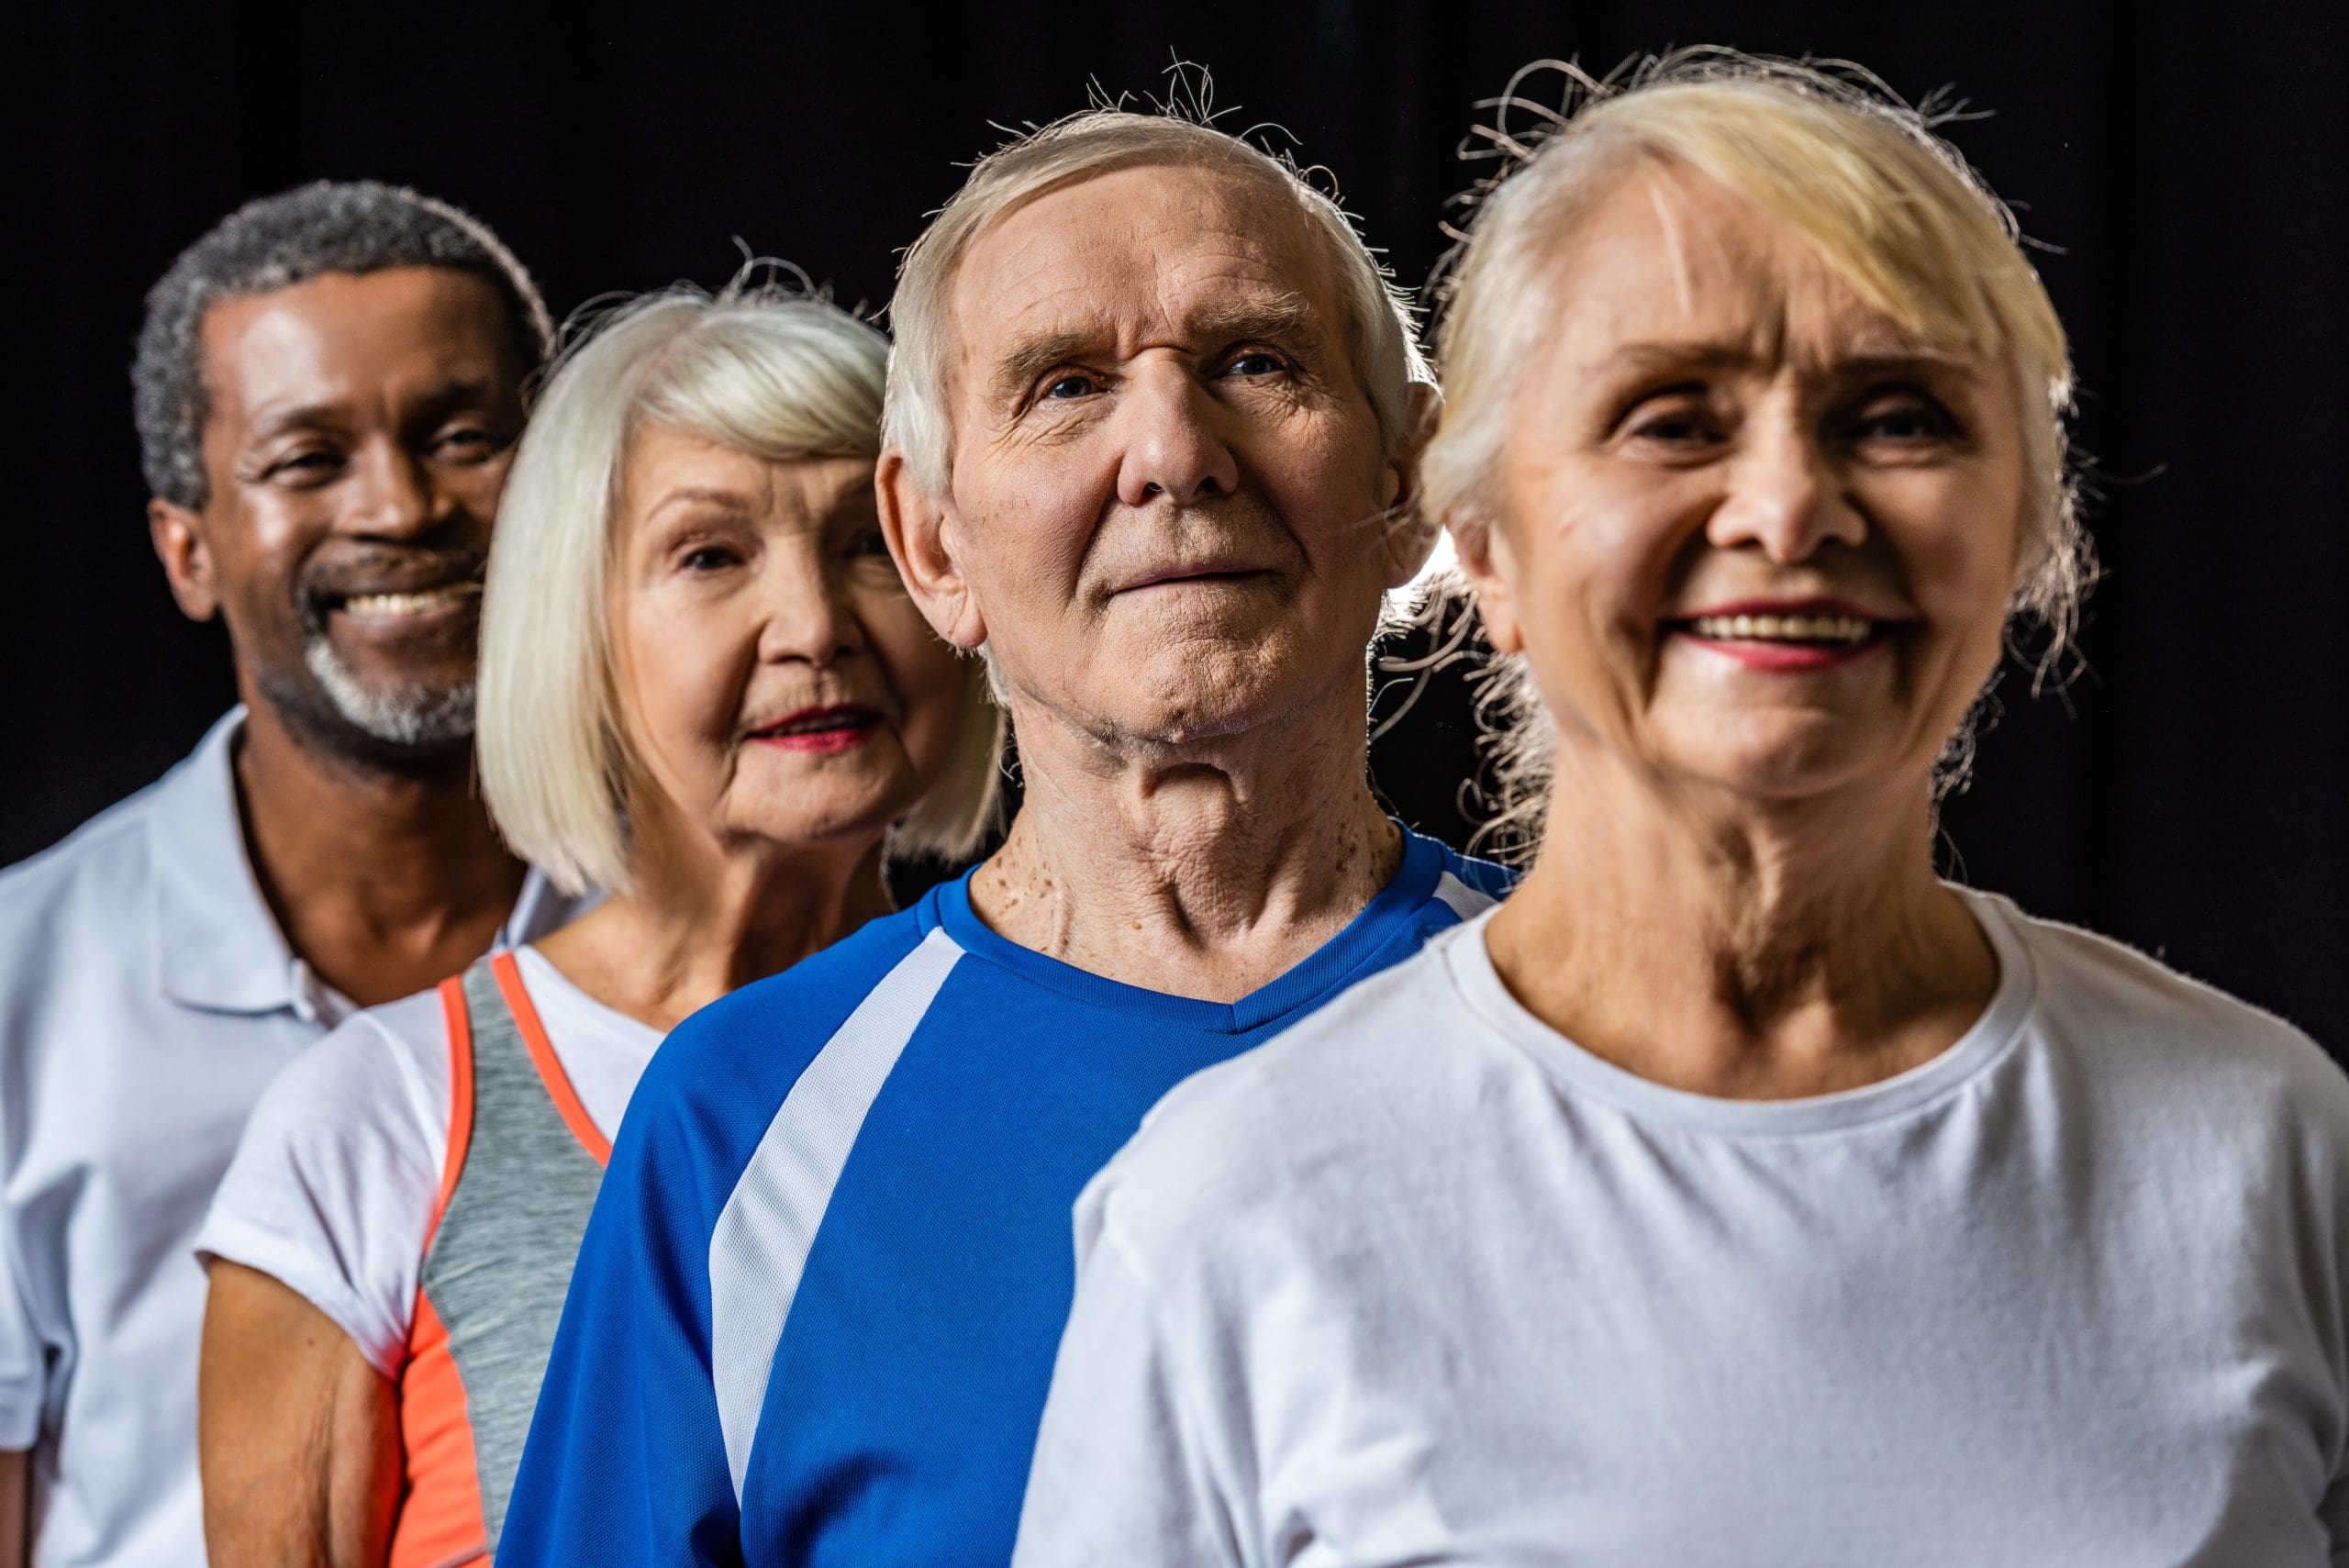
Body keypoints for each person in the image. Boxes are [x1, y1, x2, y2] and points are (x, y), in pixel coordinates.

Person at [1010, 50, 2349, 1567]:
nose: (1789, 508)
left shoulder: (2268, 1150)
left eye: (1900, 416)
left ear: (2024, 526)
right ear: (1482, 542)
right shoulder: (1231, 1211)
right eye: (1669, 417)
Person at [500, 106, 1511, 1566]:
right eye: (1067, 385)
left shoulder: (1621, 1032)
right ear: (932, 543)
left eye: (1255, 361)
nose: (1173, 453)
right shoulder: (740, 1122)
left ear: (1407, 480)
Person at [193, 282, 1001, 1566]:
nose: (813, 626)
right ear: (577, 634)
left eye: (867, 543)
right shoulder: (376, 1120)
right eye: (710, 556)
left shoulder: (1052, 1053)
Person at [0, 182, 582, 1568]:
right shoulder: (20, 984)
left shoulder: (720, 929)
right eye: (308, 458)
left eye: (463, 437)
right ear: (187, 548)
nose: (401, 506)